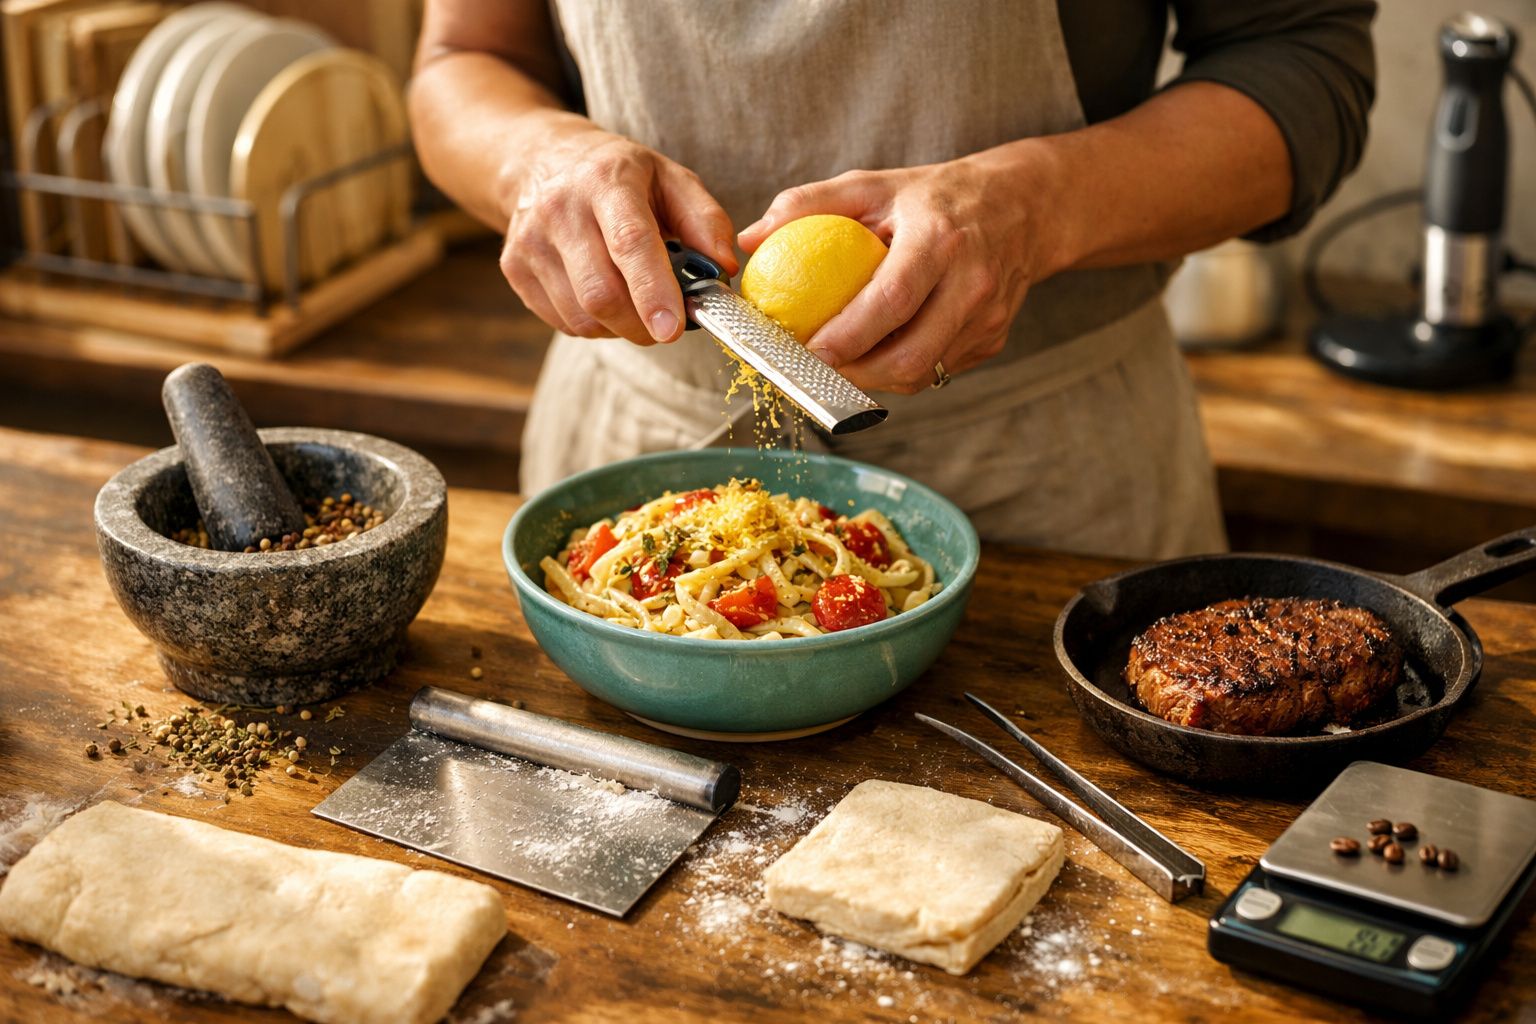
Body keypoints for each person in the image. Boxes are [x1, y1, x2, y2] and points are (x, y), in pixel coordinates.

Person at [409, 1, 1376, 558]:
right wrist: (534, 160)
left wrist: (1040, 204)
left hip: (1046, 480)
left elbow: (1305, 60)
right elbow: (467, 56)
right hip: (637, 457)